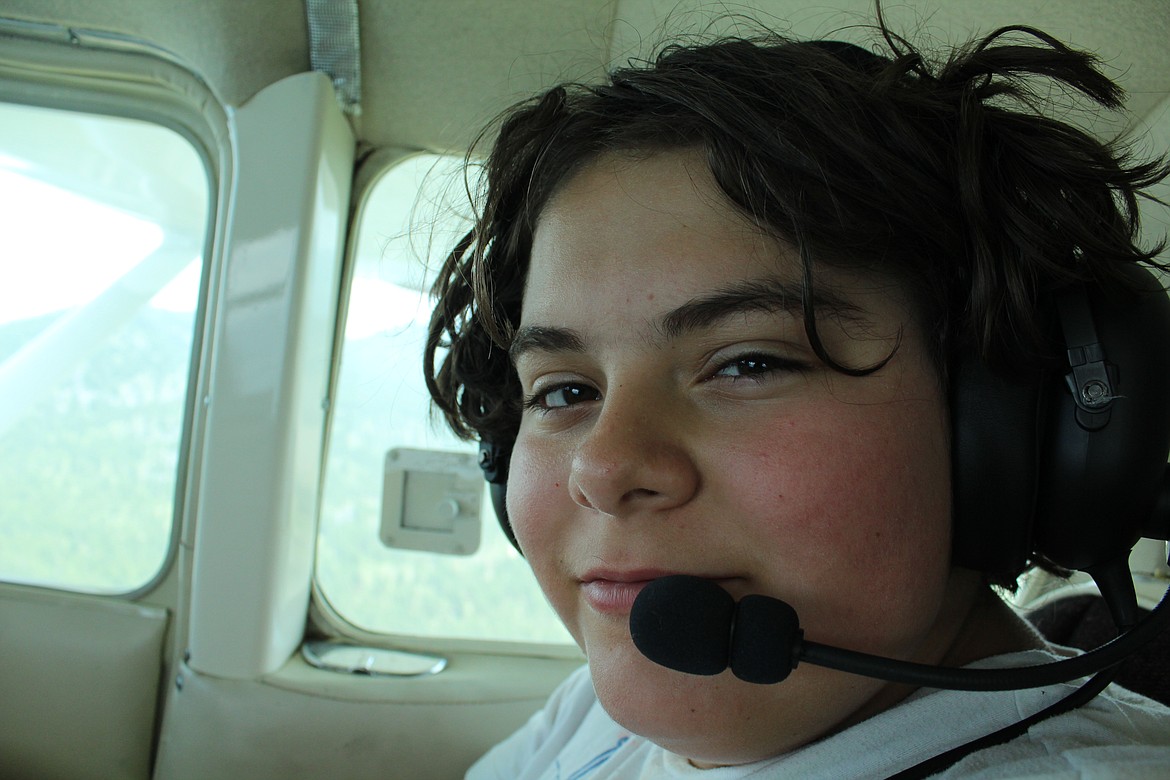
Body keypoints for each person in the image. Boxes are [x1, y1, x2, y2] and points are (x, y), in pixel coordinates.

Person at [424, 11, 1170, 778]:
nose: (603, 468)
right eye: (565, 391)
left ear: (1008, 435)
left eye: (748, 364)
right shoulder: (585, 714)